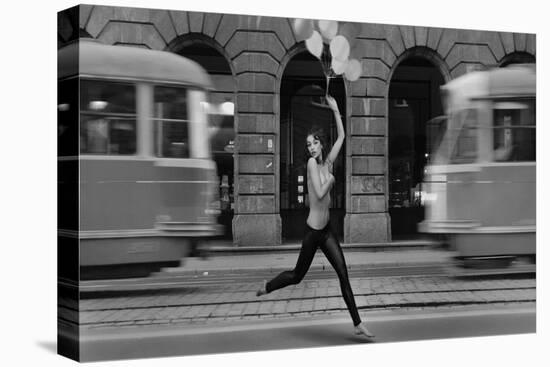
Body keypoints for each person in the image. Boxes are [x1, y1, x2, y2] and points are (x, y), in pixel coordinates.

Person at [256, 95, 375, 340]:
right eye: (308, 144)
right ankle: (268, 287)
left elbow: (342, 137)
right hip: (312, 233)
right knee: (297, 276)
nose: (311, 148)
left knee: (343, 272)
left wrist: (335, 109)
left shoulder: (328, 162)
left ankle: (357, 323)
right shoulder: (312, 164)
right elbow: (320, 194)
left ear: (321, 143)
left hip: (327, 231)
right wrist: (331, 179)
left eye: (314, 143)